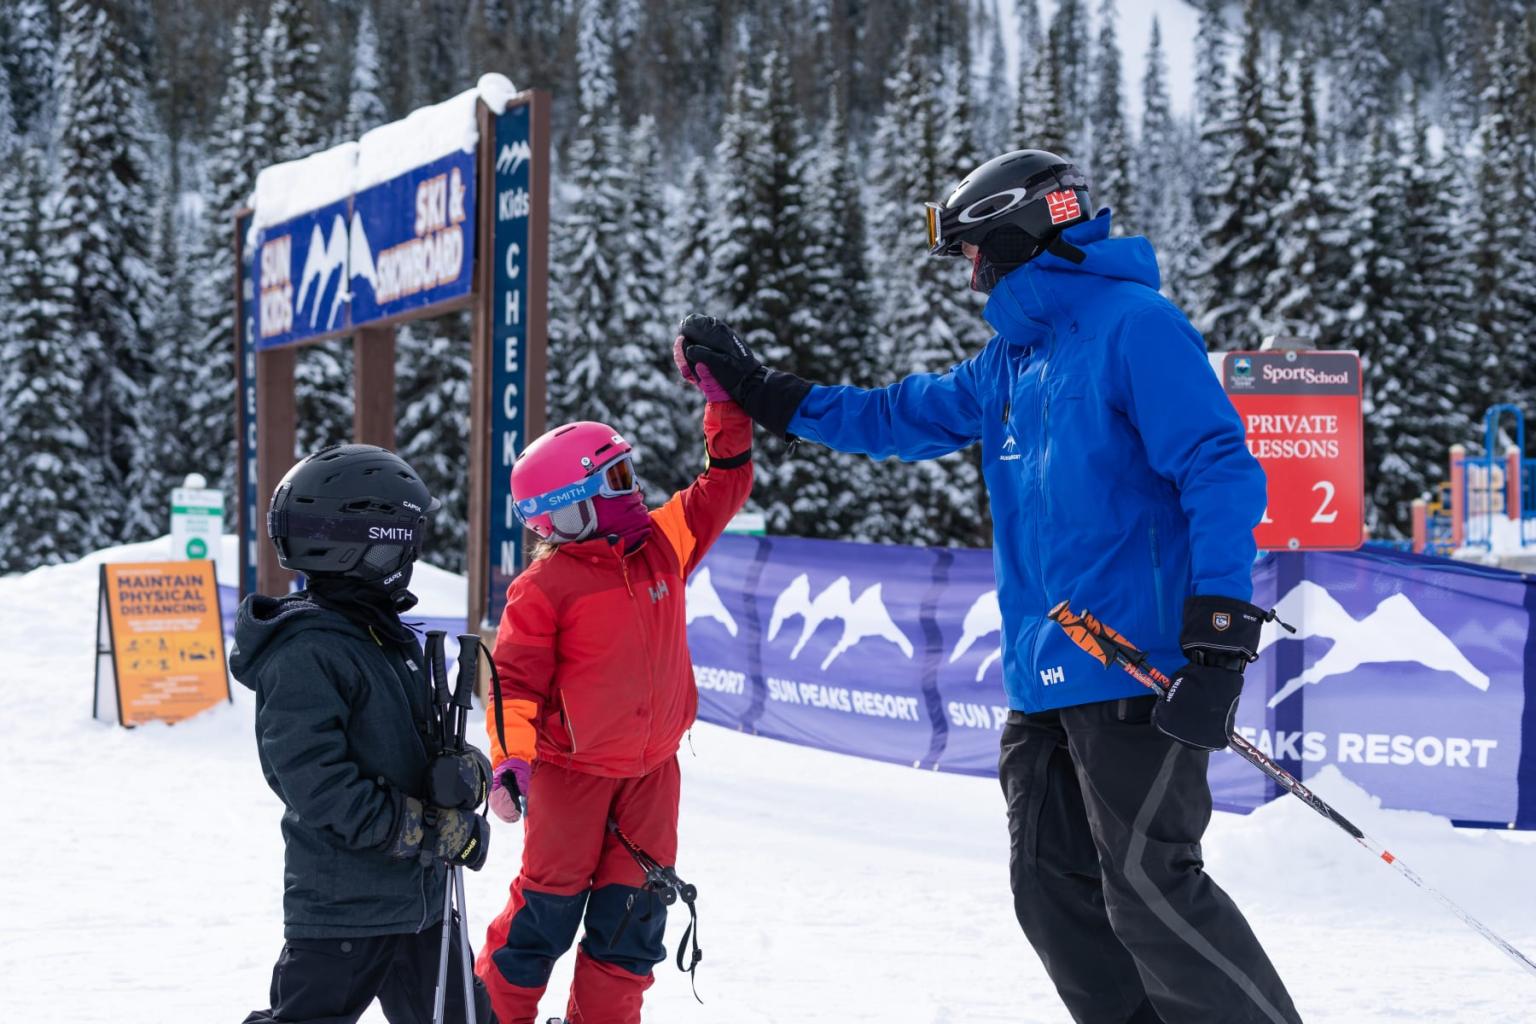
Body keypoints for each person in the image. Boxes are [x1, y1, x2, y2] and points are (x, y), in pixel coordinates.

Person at [675, 149, 1303, 1024]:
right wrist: (760, 391)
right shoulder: (1008, 363)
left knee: (1150, 891)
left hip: (1138, 669)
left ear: (1017, 232)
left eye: (973, 250)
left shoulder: (1135, 326)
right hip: (1045, 673)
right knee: (1053, 899)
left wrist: (1222, 631)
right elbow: (895, 416)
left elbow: (1218, 465)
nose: (970, 273)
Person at [473, 374, 753, 1024]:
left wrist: (724, 406)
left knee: (632, 926)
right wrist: (512, 762)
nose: (636, 490)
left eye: (628, 472)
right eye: (619, 480)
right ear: (572, 508)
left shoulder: (659, 544)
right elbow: (514, 685)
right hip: (572, 779)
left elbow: (723, 487)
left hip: (653, 776)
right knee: (543, 917)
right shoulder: (546, 588)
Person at [232, 444, 495, 1024]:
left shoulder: (381, 637)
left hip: (421, 905)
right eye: (405, 538)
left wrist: (467, 768)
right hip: (345, 908)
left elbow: (421, 746)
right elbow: (320, 787)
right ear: (370, 545)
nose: (413, 554)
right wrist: (428, 831)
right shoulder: (307, 654)